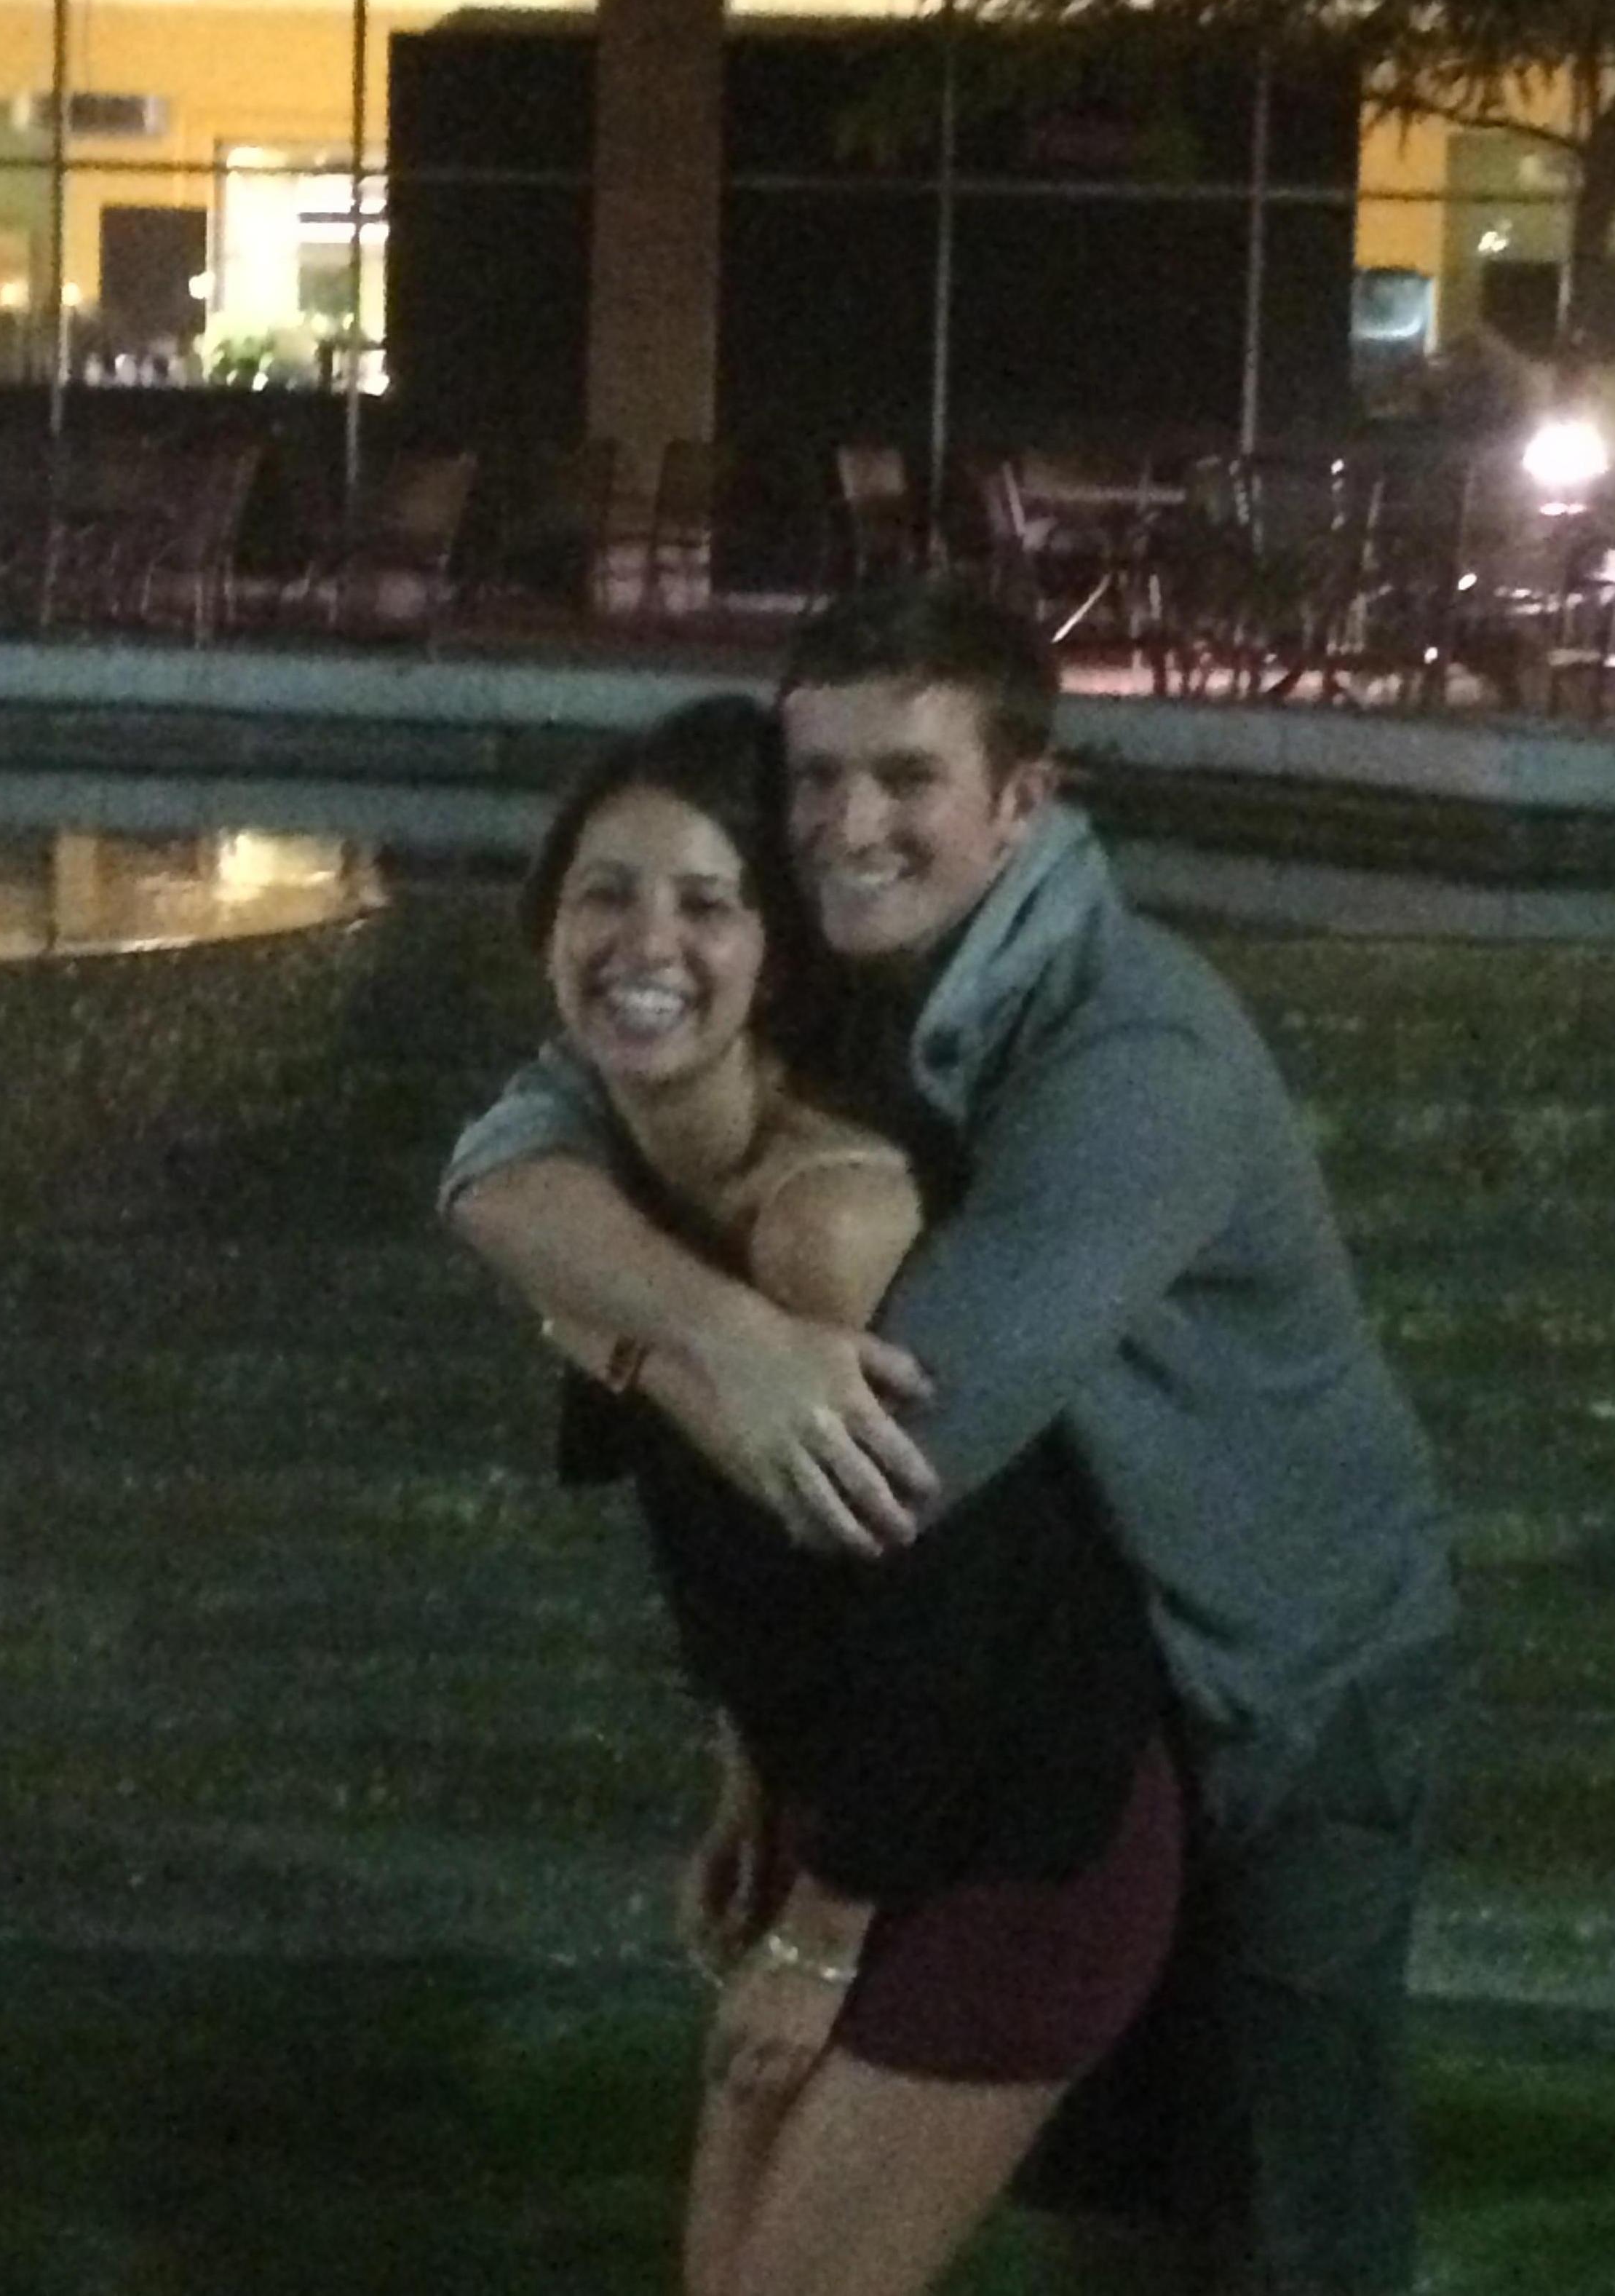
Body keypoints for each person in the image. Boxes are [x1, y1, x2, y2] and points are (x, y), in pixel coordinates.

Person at [443, 579, 1459, 2296]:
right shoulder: (835, 989)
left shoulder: (1134, 1057)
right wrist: (693, 1324)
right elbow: (503, 1151)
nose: (847, 823)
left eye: (905, 777)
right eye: (816, 774)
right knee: (1121, 2207)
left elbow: (890, 1458)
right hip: (1060, 1686)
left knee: (1288, 2208)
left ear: (1021, 800)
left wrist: (616, 1333)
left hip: (1292, 1678)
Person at [488, 694, 1182, 2296]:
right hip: (853, 1789)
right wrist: (750, 1781)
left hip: (1016, 1819)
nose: (643, 941)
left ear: (774, 957)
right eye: (605, 891)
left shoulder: (828, 1221)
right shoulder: (622, 1187)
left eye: (706, 902)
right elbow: (728, 1547)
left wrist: (823, 1927)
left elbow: (943, 1597)